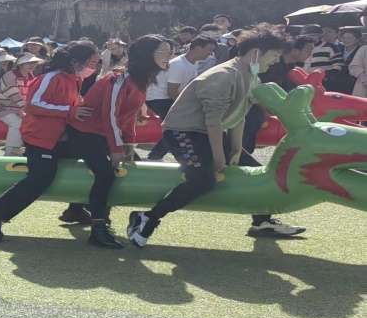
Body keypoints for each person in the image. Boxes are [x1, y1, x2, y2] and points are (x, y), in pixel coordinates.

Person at [127, 24, 305, 248]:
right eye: (274, 56)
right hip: (183, 132)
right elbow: (212, 120)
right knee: (203, 180)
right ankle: (147, 218)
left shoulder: (251, 75)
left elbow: (239, 116)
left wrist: (236, 150)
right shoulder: (223, 76)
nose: (276, 61)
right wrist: (220, 156)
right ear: (255, 53)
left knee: (256, 173)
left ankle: (262, 221)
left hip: (208, 132)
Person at [0, 41, 101, 243]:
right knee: (40, 177)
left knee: (86, 160)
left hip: (58, 136)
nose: (94, 67)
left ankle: (76, 209)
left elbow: (69, 106)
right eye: (91, 62)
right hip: (40, 136)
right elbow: (33, 105)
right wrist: (70, 111)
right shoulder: (52, 77)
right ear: (76, 61)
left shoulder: (74, 78)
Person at [58, 35, 171, 247]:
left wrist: (128, 145)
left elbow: (127, 116)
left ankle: (76, 210)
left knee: (124, 168)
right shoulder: (119, 77)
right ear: (147, 55)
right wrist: (116, 148)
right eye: (163, 52)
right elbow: (109, 115)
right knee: (106, 173)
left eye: (169, 52)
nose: (168, 57)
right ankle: (98, 228)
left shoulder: (142, 79)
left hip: (102, 133)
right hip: (83, 132)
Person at [144, 36, 216, 160]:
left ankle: (155, 156)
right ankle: (155, 156)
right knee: (176, 127)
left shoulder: (193, 63)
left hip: (167, 98)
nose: (211, 53)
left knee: (177, 127)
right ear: (197, 48)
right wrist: (185, 107)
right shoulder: (179, 65)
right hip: (158, 99)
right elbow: (171, 91)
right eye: (210, 49)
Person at [0, 54, 37, 156]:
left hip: (17, 109)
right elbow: (15, 96)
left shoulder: (30, 76)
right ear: (20, 64)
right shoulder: (10, 76)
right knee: (17, 123)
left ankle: (25, 149)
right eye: (29, 62)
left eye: (34, 62)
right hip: (1, 108)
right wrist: (28, 109)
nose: (33, 65)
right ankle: (11, 151)